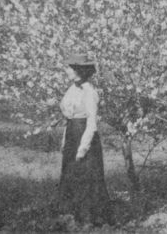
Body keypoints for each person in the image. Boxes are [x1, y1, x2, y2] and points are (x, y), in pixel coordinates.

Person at [56, 53, 113, 226]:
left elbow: (92, 123)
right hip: (73, 134)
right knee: (71, 174)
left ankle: (90, 220)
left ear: (78, 70)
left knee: (87, 176)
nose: (66, 71)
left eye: (69, 68)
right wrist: (65, 139)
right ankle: (72, 217)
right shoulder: (72, 89)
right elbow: (69, 118)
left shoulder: (90, 92)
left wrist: (83, 148)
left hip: (84, 138)